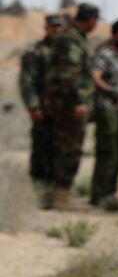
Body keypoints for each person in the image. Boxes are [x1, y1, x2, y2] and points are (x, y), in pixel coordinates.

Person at [44, 3, 99, 210]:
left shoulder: (74, 37)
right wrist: (79, 101)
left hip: (66, 103)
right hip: (69, 105)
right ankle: (62, 197)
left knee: (66, 148)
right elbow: (70, 74)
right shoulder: (71, 40)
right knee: (69, 150)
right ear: (91, 20)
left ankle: (63, 193)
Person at [18, 13, 65, 206]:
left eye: (60, 27)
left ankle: (57, 192)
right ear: (46, 28)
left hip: (63, 112)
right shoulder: (36, 52)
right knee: (41, 150)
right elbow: (27, 82)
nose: (56, 30)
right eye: (53, 27)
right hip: (43, 110)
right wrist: (34, 106)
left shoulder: (68, 52)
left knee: (61, 151)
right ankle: (39, 190)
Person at [89, 19, 118, 207]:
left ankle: (110, 191)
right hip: (106, 108)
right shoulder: (104, 55)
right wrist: (110, 91)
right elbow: (95, 76)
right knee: (107, 151)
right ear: (114, 35)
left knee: (117, 152)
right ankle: (99, 194)